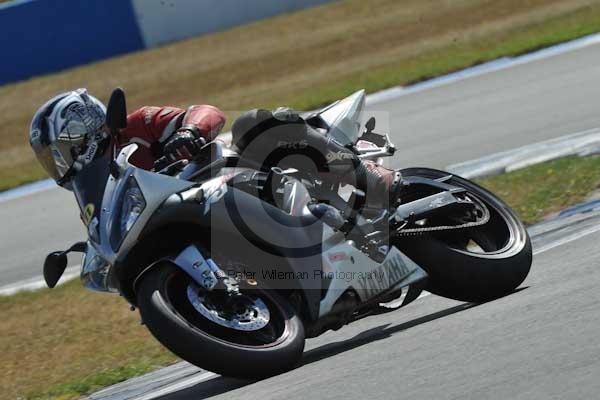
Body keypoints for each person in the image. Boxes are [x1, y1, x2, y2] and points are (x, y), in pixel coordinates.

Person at [29, 88, 401, 207]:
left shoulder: (136, 124)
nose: (59, 164)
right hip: (205, 211)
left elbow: (207, 112)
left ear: (84, 130)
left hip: (238, 170)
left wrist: (187, 133)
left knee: (252, 122)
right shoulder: (99, 190)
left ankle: (365, 176)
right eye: (52, 160)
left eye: (60, 151)